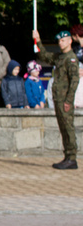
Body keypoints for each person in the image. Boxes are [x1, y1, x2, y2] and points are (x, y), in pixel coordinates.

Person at [34, 29, 79, 169]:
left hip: (65, 99)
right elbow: (44, 56)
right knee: (63, 128)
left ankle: (72, 157)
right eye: (59, 41)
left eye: (63, 40)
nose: (61, 43)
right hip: (59, 99)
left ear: (70, 40)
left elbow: (74, 81)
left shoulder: (71, 58)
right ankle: (67, 156)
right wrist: (38, 40)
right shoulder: (60, 57)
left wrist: (68, 101)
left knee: (68, 128)